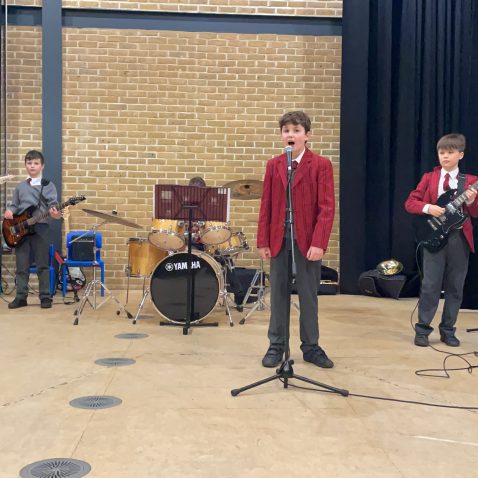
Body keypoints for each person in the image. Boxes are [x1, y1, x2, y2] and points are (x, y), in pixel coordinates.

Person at [257, 111, 335, 368]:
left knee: (308, 294)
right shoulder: (274, 165)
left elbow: (326, 208)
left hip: (307, 241)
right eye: (286, 130)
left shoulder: (321, 165)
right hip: (279, 239)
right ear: (281, 136)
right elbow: (266, 205)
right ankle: (276, 344)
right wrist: (263, 240)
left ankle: (311, 346)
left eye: (296, 130)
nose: (291, 134)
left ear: (307, 135)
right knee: (278, 293)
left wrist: (319, 242)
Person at [405, 133, 478, 347]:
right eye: (441, 152)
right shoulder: (429, 178)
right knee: (430, 285)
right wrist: (429, 208)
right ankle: (423, 329)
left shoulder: (471, 182)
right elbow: (410, 203)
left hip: (459, 239)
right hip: (434, 236)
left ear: (460, 154)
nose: (445, 156)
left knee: (455, 286)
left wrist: (472, 202)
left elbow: (475, 214)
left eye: (450, 152)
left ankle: (448, 329)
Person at [4, 150, 62, 309]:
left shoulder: (48, 185)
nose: (32, 166)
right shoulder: (20, 187)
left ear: (42, 166)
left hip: (41, 228)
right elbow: (15, 205)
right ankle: (21, 297)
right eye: (29, 163)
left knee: (43, 264)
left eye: (36, 163)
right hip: (21, 230)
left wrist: (56, 214)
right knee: (21, 265)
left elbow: (53, 206)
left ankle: (45, 297)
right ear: (25, 165)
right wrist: (10, 211)